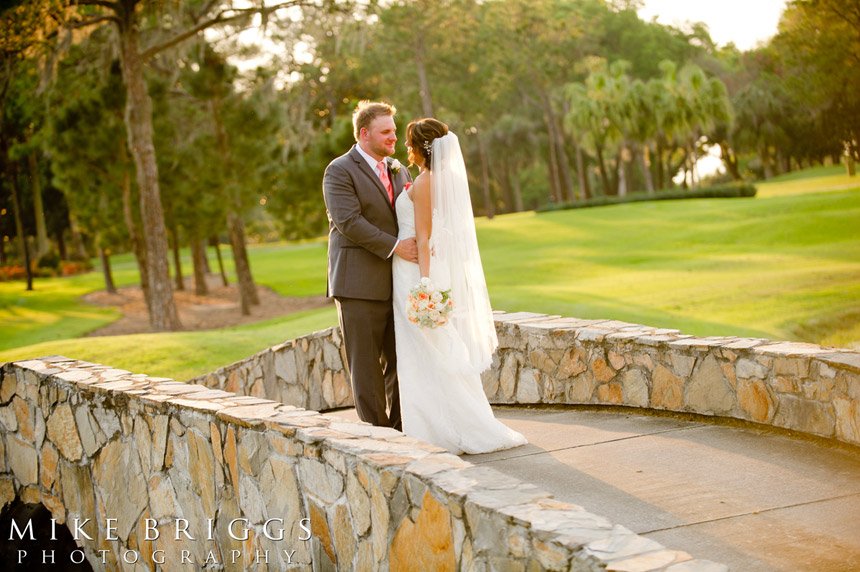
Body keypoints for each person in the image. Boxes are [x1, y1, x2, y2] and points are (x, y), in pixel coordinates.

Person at [391, 118, 527, 454]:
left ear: (422, 148)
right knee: (431, 350)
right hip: (419, 271)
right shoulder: (440, 179)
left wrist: (424, 287)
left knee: (423, 353)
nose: (406, 149)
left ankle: (438, 431)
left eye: (409, 143)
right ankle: (439, 425)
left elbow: (423, 238)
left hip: (414, 276)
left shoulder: (424, 183)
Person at [322, 101, 417, 430]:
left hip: (398, 283)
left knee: (401, 361)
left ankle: (402, 429)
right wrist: (396, 247)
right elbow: (348, 221)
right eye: (386, 131)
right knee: (366, 368)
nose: (394, 137)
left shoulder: (399, 168)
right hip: (357, 284)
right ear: (364, 133)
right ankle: (378, 438)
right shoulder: (339, 170)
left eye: (394, 130)